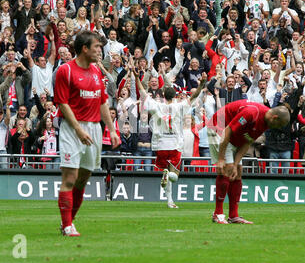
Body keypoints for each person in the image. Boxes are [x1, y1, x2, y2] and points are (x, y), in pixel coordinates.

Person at [54, 30, 120, 237]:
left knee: (83, 178)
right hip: (72, 128)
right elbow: (62, 104)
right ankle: (67, 226)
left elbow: (102, 102)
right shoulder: (65, 71)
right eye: (97, 47)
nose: (100, 50)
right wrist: (79, 130)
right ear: (84, 48)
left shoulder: (96, 72)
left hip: (94, 129)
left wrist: (111, 129)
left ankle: (69, 222)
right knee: (70, 177)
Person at [134, 63, 207, 209]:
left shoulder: (156, 105)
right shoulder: (179, 106)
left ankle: (169, 200)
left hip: (160, 144)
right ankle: (170, 179)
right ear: (174, 96)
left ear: (163, 96)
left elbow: (142, 93)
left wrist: (137, 78)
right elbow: (193, 97)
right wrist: (201, 85)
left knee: (165, 171)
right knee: (174, 175)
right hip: (175, 144)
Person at [207, 100, 290, 224]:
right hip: (219, 127)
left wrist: (236, 164)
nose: (278, 128)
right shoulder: (251, 113)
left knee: (238, 171)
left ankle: (233, 216)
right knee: (227, 170)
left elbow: (248, 141)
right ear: (275, 117)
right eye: (279, 125)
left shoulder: (266, 123)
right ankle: (217, 214)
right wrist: (220, 159)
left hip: (233, 134)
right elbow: (227, 131)